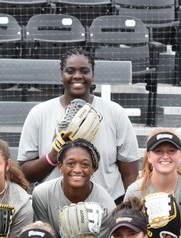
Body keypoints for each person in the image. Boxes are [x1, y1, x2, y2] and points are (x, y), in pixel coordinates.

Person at [18, 47, 140, 201]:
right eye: (70, 71)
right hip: (53, 206)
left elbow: (130, 171)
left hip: (106, 205)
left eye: (84, 71)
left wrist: (127, 206)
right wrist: (53, 155)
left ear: (92, 75)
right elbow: (24, 173)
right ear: (61, 76)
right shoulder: (39, 113)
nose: (77, 76)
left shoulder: (115, 113)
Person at [31, 138, 115, 238]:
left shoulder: (106, 206)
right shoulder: (42, 194)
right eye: (70, 163)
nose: (77, 170)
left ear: (93, 169)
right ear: (60, 166)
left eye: (85, 164)